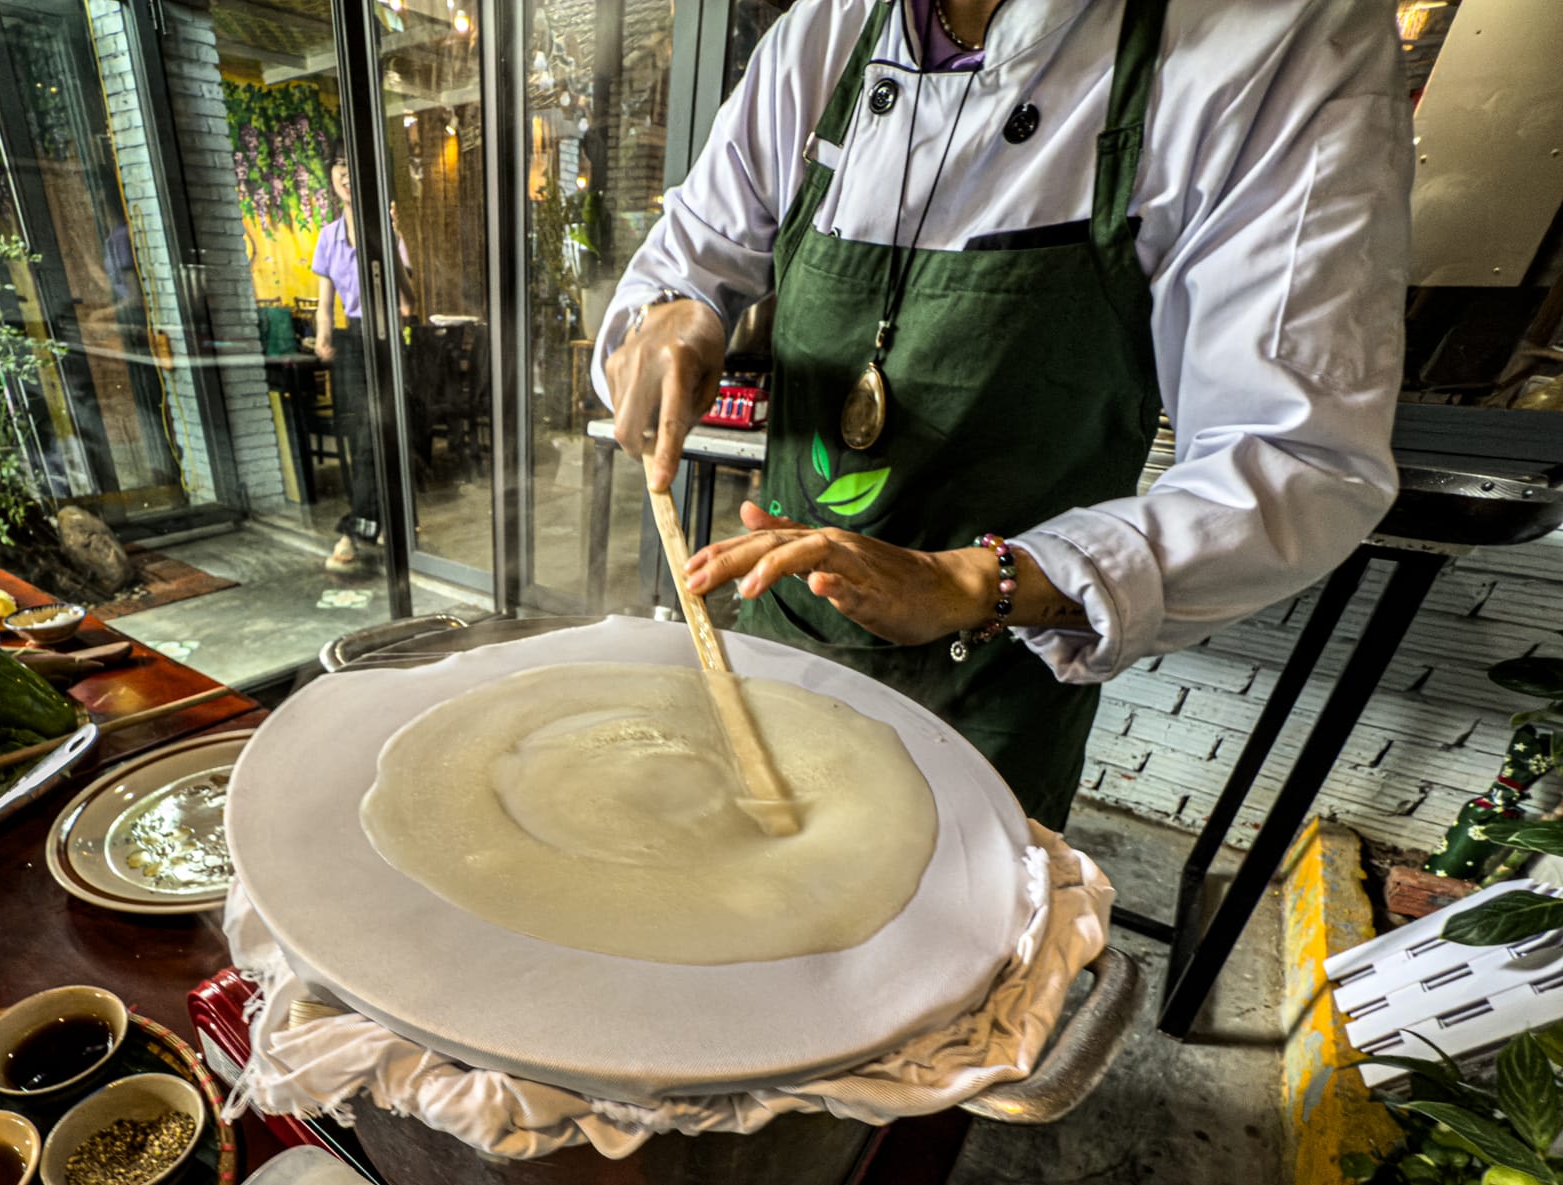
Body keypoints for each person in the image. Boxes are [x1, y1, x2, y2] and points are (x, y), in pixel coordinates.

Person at [595, 0, 1410, 828]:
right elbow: (687, 258)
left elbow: (1299, 458)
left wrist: (966, 581)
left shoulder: (1277, 33)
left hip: (989, 686)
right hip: (780, 644)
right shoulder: (827, 29)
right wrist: (675, 314)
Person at [312, 158, 413, 574]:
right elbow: (324, 300)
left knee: (378, 432)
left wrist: (390, 242)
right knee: (361, 434)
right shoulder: (328, 237)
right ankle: (390, 520)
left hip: (386, 337)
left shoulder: (387, 233)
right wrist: (323, 335)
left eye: (352, 163)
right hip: (352, 339)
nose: (345, 172)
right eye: (337, 164)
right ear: (332, 175)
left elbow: (407, 303)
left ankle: (354, 528)